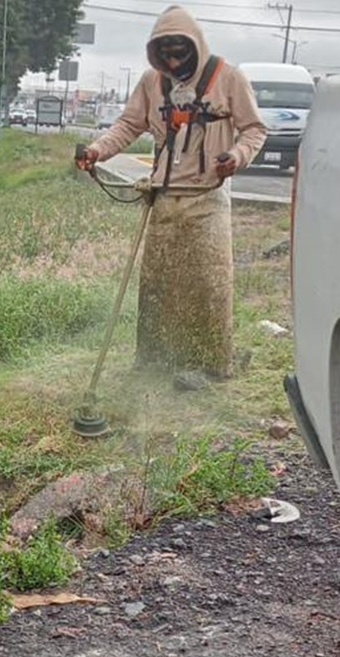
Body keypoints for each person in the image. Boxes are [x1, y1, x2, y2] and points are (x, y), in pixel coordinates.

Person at [78, 5, 267, 380]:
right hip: (163, 201)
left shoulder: (228, 78)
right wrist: (96, 151)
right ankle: (154, 361)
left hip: (208, 200)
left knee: (208, 289)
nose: (173, 60)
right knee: (158, 289)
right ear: (155, 52)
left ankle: (211, 366)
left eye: (180, 52)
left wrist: (237, 156)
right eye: (165, 53)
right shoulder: (152, 82)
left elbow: (254, 130)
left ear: (196, 45)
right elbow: (128, 125)